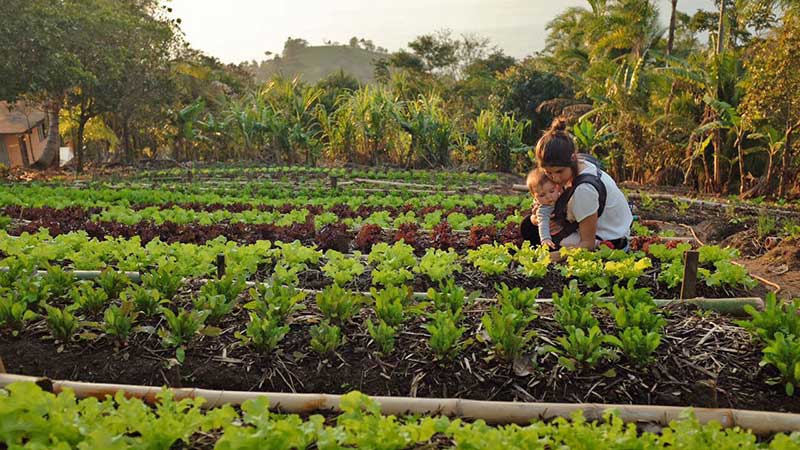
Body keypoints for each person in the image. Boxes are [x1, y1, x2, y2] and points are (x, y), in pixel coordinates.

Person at [520, 118, 632, 252]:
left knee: (545, 239)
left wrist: (555, 257)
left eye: (559, 171)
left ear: (573, 158)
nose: (555, 177)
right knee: (528, 225)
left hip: (611, 241)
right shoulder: (583, 163)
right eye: (548, 173)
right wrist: (537, 218)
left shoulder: (584, 189)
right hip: (605, 229)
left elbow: (587, 244)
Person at [525, 168, 581, 248]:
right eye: (542, 195)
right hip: (559, 235)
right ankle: (597, 244)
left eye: (551, 191)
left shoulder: (562, 196)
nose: (548, 197)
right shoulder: (543, 209)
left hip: (570, 228)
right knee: (576, 242)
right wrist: (545, 239)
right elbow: (543, 224)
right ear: (534, 197)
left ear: (557, 187)